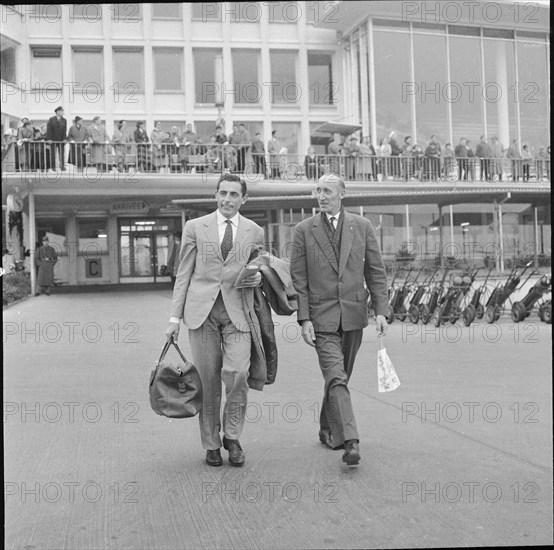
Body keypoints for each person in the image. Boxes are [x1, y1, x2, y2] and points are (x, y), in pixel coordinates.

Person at [165, 173, 264, 467]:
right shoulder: (195, 227)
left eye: (234, 195)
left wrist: (258, 276)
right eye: (223, 193)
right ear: (216, 195)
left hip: (238, 311)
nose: (227, 199)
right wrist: (173, 318)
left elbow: (257, 268)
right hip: (201, 312)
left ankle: (232, 438)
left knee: (238, 374)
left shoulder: (254, 231)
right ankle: (211, 443)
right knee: (208, 381)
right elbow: (183, 273)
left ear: (243, 199)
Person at [290, 174, 389, 466]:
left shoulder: (362, 226)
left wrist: (381, 310)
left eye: (328, 191)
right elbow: (299, 279)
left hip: (353, 315)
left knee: (339, 378)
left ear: (342, 194)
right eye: (318, 191)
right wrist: (304, 319)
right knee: (336, 376)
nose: (322, 196)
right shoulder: (304, 230)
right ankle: (351, 441)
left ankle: (326, 428)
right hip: (321, 318)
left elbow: (375, 271)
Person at [46, 106, 67, 171]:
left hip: (61, 140)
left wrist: (64, 139)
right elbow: (49, 130)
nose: (62, 112)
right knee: (53, 154)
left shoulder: (64, 120)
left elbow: (64, 130)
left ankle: (62, 166)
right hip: (53, 139)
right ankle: (53, 166)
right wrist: (49, 139)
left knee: (62, 154)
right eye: (61, 111)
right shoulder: (51, 119)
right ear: (57, 111)